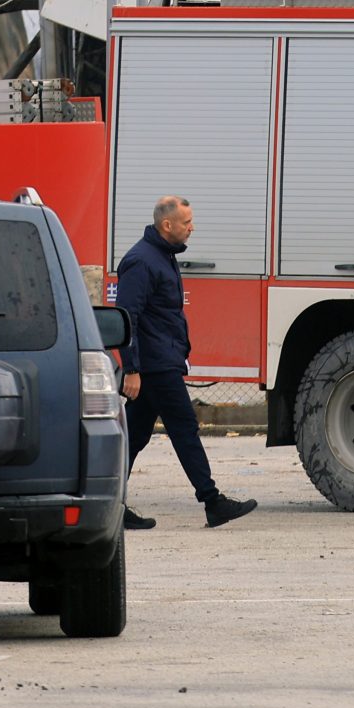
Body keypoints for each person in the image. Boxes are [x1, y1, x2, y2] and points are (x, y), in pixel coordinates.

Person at [116, 196, 256, 529]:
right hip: (155, 366)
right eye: (187, 222)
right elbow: (127, 317)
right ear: (167, 225)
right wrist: (132, 369)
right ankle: (212, 501)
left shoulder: (162, 255)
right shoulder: (141, 261)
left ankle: (110, 506)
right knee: (184, 429)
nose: (192, 228)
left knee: (132, 437)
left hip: (160, 362)